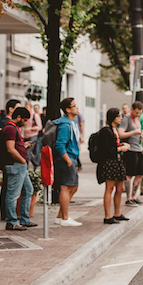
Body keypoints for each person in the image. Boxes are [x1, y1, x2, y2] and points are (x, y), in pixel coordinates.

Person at [3, 107, 35, 231]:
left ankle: (25, 219)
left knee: (28, 189)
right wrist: (22, 160)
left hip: (20, 165)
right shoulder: (10, 128)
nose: (26, 122)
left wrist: (23, 145)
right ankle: (11, 222)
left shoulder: (14, 128)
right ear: (18, 117)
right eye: (25, 119)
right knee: (13, 194)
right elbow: (10, 149)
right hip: (16, 165)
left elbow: (14, 146)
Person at [98, 108, 130, 224]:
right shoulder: (105, 131)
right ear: (113, 117)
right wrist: (121, 148)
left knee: (120, 189)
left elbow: (113, 144)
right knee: (109, 189)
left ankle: (117, 213)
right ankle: (107, 216)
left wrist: (121, 144)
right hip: (110, 163)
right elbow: (106, 150)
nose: (121, 118)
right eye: (119, 116)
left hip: (118, 162)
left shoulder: (114, 130)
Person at [55, 97, 82, 226]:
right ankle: (65, 218)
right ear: (67, 109)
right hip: (67, 159)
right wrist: (68, 160)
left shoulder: (72, 122)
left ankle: (61, 215)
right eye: (74, 106)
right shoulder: (65, 125)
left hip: (72, 158)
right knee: (66, 187)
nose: (77, 108)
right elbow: (60, 145)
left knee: (74, 187)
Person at [119, 101, 143, 206]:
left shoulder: (137, 119)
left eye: (139, 113)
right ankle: (128, 198)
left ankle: (134, 196)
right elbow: (121, 133)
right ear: (132, 109)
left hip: (139, 148)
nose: (138, 115)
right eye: (136, 112)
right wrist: (134, 132)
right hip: (130, 150)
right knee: (129, 174)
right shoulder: (126, 119)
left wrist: (141, 134)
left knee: (140, 173)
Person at [22, 102, 42, 168]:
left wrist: (31, 128)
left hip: (33, 135)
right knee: (28, 152)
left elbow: (39, 127)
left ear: (30, 108)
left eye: (27, 107)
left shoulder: (35, 115)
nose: (26, 108)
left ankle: (25, 168)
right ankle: (36, 164)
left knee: (27, 152)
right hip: (25, 135)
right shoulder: (24, 116)